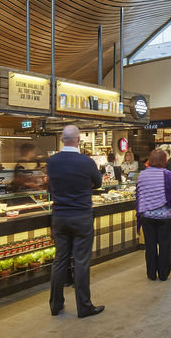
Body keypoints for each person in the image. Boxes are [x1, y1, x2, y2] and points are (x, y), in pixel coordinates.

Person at [45, 125, 105, 318]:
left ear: (62, 139)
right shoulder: (86, 162)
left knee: (60, 260)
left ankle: (55, 304)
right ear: (78, 140)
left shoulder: (52, 162)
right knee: (81, 262)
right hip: (81, 216)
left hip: (60, 216)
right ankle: (84, 307)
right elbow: (99, 182)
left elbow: (50, 187)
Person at [136, 149, 171, 281]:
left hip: (147, 216)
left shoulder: (142, 175)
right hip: (166, 217)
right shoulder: (169, 175)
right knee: (165, 246)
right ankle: (163, 274)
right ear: (164, 160)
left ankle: (151, 273)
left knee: (150, 246)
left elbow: (139, 195)